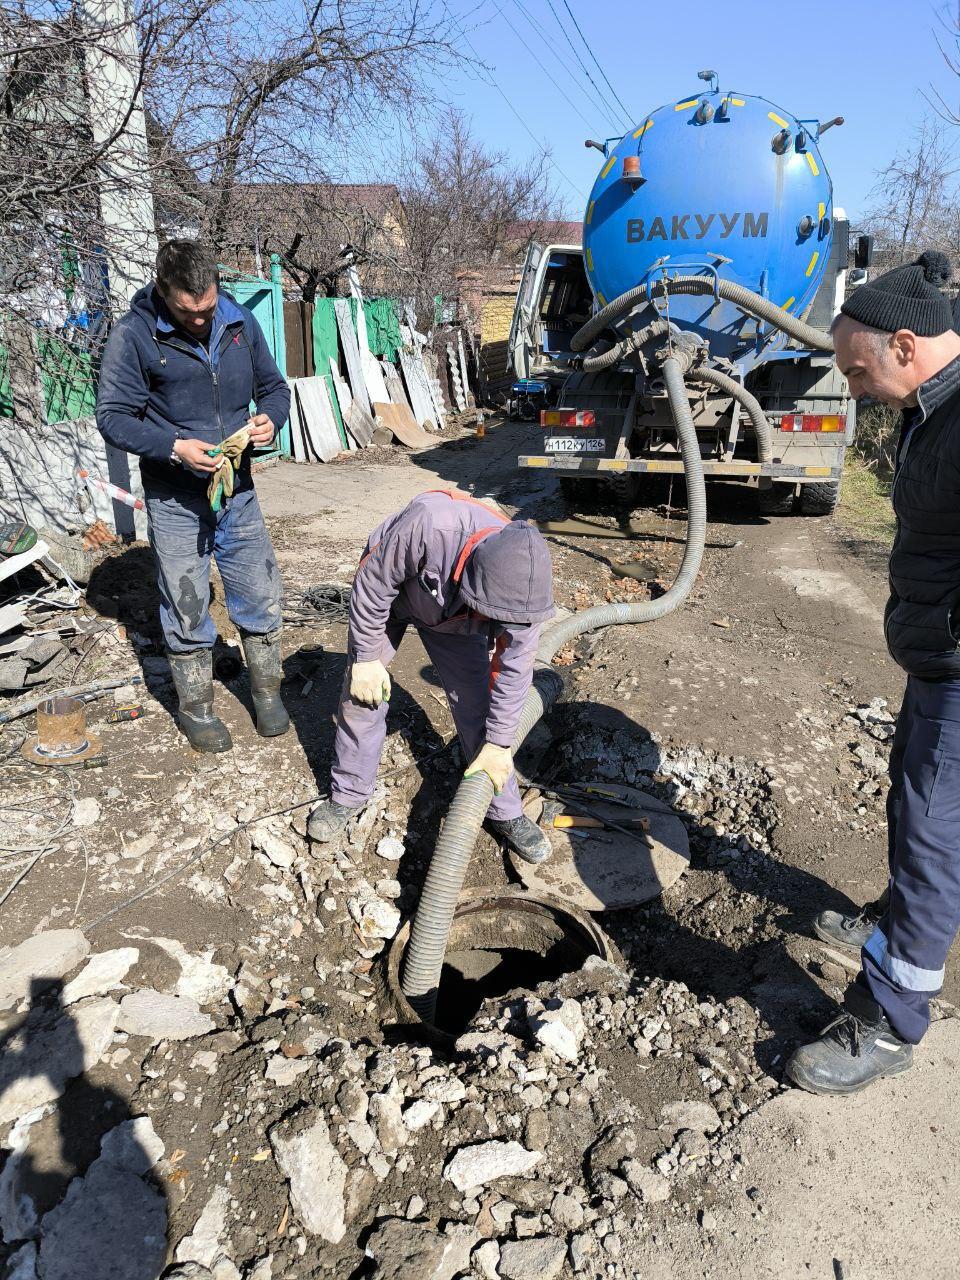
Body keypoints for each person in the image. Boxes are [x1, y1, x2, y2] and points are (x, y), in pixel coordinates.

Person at [787, 250, 960, 1094]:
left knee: (934, 832)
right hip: (936, 663)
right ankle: (894, 926)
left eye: (857, 374)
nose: (851, 391)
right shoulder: (937, 410)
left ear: (903, 344)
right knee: (909, 800)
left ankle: (891, 1022)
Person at [96, 240, 291, 753]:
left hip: (237, 490)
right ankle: (197, 707)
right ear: (164, 292)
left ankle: (267, 691)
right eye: (189, 312)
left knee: (260, 590)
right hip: (176, 496)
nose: (202, 320)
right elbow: (113, 417)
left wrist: (272, 417)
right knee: (186, 604)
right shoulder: (134, 335)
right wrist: (173, 448)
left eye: (208, 308)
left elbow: (275, 388)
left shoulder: (238, 323)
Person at [307, 488, 555, 863]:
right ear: (474, 577)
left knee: (478, 708)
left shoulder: (524, 599)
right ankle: (348, 795)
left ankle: (504, 811)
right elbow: (373, 584)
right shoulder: (429, 524)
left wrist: (501, 744)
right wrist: (366, 659)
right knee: (362, 697)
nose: (505, 629)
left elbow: (514, 671)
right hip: (392, 600)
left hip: (455, 619)